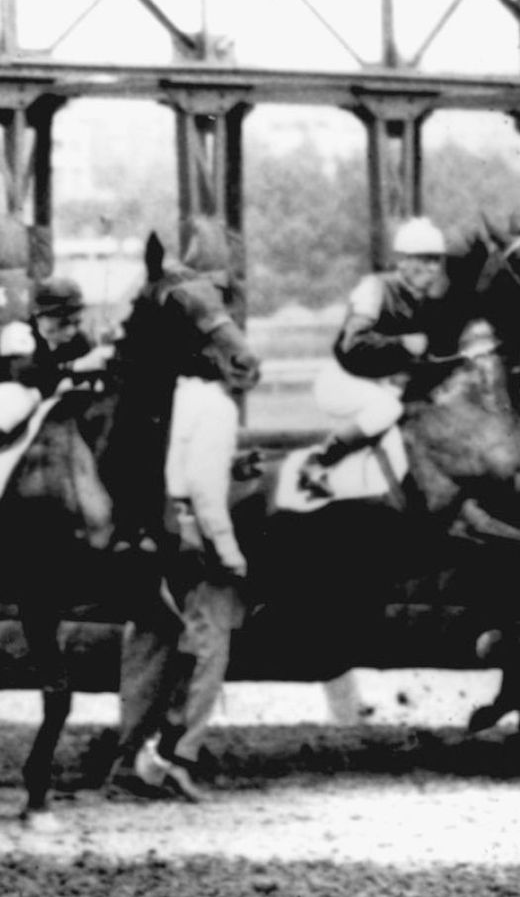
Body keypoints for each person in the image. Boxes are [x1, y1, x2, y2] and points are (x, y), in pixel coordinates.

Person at [103, 226, 262, 802]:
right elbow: (207, 494)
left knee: (145, 639)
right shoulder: (214, 405)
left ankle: (129, 756)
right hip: (190, 536)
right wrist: (232, 555)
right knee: (210, 638)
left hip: (148, 527)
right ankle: (176, 753)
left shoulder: (161, 394)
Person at [300, 215, 480, 476]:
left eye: (435, 261)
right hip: (343, 380)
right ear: (403, 261)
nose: (431, 269)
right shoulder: (374, 288)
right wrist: (401, 345)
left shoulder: (429, 303)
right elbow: (350, 346)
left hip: (382, 386)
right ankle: (320, 460)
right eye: (422, 260)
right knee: (389, 408)